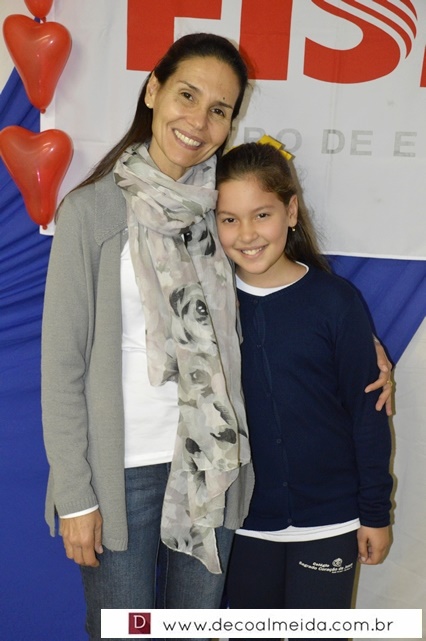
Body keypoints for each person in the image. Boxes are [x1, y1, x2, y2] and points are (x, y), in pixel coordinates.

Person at [41, 32, 392, 641]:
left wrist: (367, 350)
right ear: (153, 90)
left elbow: (273, 301)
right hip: (121, 474)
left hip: (212, 467)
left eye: (219, 109)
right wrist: (75, 495)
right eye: (187, 95)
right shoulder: (91, 213)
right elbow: (62, 363)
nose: (199, 121)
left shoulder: (215, 209)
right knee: (125, 632)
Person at [215, 141, 393, 640]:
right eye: (229, 219)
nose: (247, 234)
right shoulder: (208, 304)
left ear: (291, 212)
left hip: (331, 521)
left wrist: (375, 512)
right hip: (244, 522)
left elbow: (367, 414)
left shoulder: (336, 301)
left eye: (262, 214)